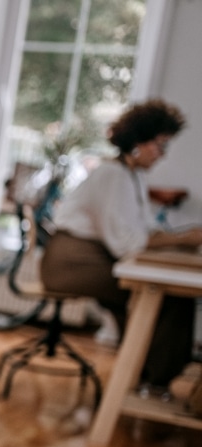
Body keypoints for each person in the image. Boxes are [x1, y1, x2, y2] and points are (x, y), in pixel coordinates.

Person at [41, 99, 202, 391]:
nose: (163, 155)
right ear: (139, 141)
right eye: (161, 145)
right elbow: (129, 245)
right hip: (71, 263)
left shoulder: (134, 177)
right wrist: (184, 239)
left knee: (164, 294)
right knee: (162, 293)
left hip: (93, 258)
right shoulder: (112, 175)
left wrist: (180, 240)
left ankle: (146, 373)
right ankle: (153, 379)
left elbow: (146, 232)